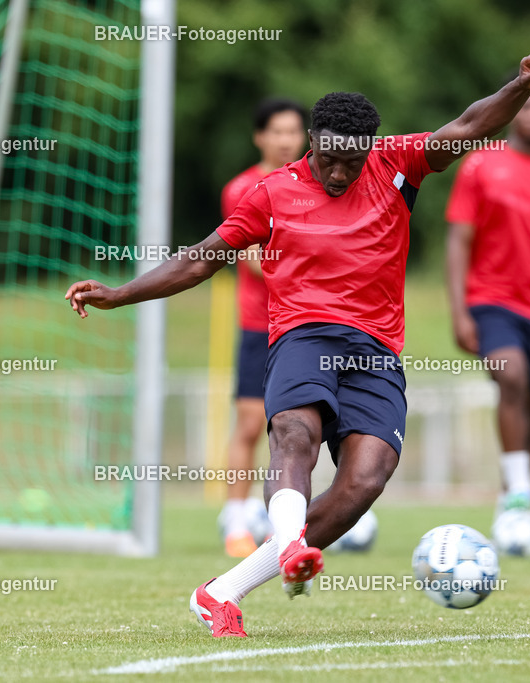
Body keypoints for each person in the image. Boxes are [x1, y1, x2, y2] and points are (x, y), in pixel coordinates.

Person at [65, 51, 530, 637]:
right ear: (311, 143)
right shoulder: (271, 192)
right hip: (303, 334)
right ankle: (291, 544)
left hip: (375, 350)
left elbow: (471, 125)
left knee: (365, 479)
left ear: (369, 149)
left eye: (352, 162)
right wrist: (120, 294)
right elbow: (200, 261)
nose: (339, 174)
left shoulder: (398, 163)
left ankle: (222, 590)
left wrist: (521, 84)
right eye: (328, 159)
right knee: (294, 433)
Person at [444, 79, 530, 517]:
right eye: (526, 105)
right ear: (513, 109)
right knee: (511, 377)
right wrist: (458, 311)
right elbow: (458, 240)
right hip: (490, 300)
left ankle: (514, 499)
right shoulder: (480, 165)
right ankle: (522, 489)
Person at [219, 98, 307, 558]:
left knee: (302, 425)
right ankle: (236, 521)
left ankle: (296, 525)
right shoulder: (242, 188)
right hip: (261, 325)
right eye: (277, 131)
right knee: (252, 424)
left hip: (304, 326)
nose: (286, 140)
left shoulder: (312, 184)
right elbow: (251, 257)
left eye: (293, 131)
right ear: (260, 137)